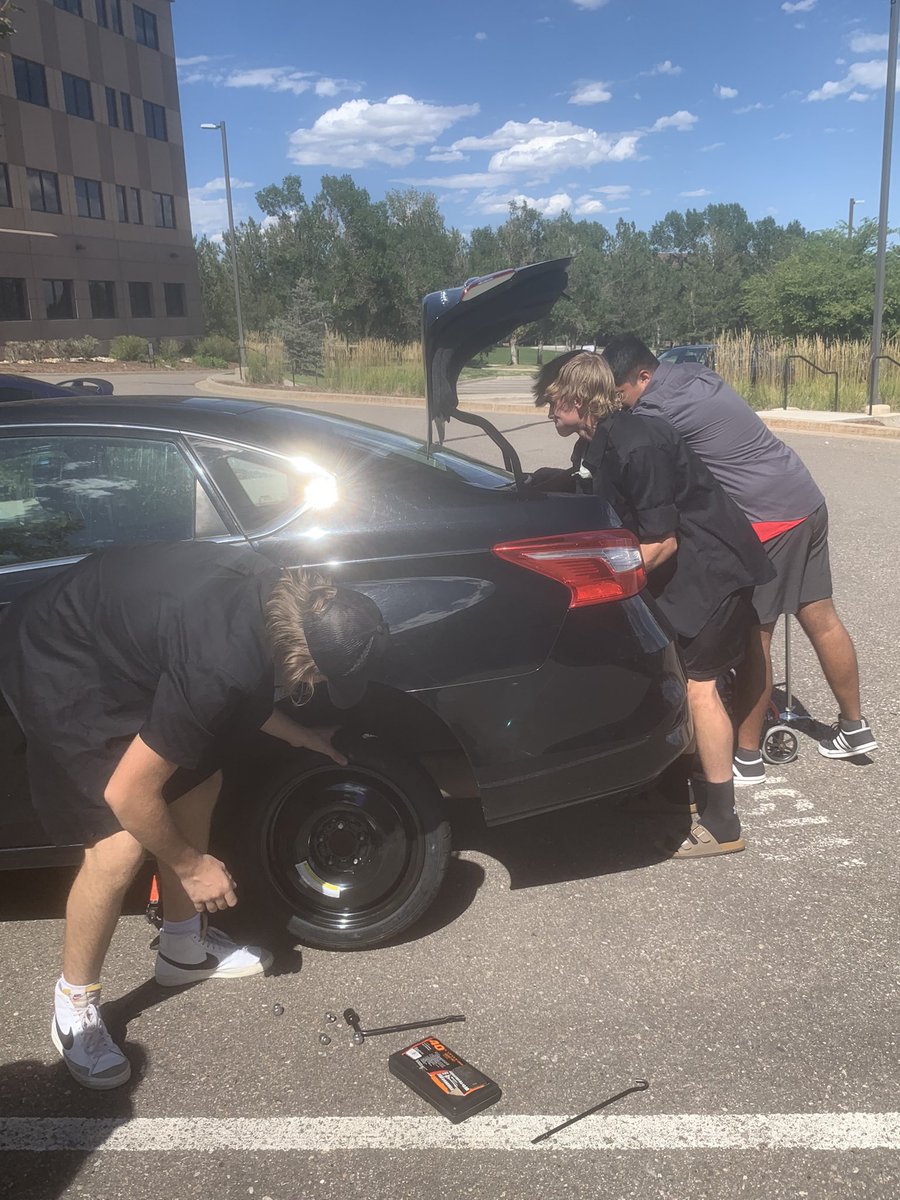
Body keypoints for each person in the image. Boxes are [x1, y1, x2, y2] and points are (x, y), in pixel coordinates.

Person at [0, 540, 388, 1090]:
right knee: (119, 845)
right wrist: (190, 865)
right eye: (325, 681)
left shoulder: (275, 596)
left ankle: (183, 949)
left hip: (118, 639)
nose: (323, 690)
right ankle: (74, 1004)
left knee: (202, 779)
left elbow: (239, 694)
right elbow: (129, 794)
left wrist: (303, 736)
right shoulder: (221, 660)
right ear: (303, 661)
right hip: (58, 654)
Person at [600, 334, 877, 783]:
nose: (622, 404)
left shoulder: (655, 409)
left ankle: (747, 756)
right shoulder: (695, 373)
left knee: (756, 638)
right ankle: (854, 727)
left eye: (622, 393)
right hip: (804, 498)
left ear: (643, 376)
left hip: (769, 520)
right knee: (821, 618)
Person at [533, 351, 774, 860]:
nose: (546, 408)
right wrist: (557, 485)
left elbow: (662, 542)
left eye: (553, 398)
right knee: (672, 677)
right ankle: (674, 792)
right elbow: (609, 499)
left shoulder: (638, 444)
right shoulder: (596, 444)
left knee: (699, 686)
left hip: (713, 571)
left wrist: (591, 588)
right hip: (682, 578)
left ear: (579, 398)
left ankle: (723, 821)